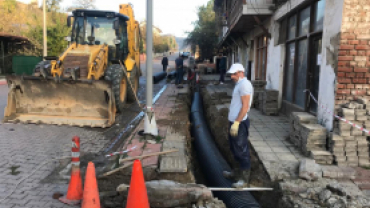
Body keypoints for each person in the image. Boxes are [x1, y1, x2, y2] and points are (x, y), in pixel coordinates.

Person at [223, 63, 254, 188]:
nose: (232, 77)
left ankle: (244, 180)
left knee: (241, 150)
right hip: (234, 122)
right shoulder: (239, 84)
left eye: (234, 74)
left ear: (241, 72)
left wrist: (236, 123)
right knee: (234, 149)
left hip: (239, 124)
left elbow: (245, 107)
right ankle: (235, 174)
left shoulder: (245, 85)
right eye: (231, 74)